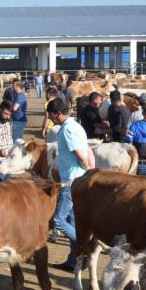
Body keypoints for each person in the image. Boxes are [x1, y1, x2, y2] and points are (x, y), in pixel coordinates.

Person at [47, 98, 94, 271]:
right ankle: (74, 261)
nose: (50, 118)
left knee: (59, 220)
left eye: (51, 115)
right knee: (73, 222)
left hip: (71, 182)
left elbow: (81, 154)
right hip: (76, 179)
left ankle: (86, 244)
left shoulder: (67, 130)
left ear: (58, 113)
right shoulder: (76, 126)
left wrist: (87, 169)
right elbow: (88, 149)